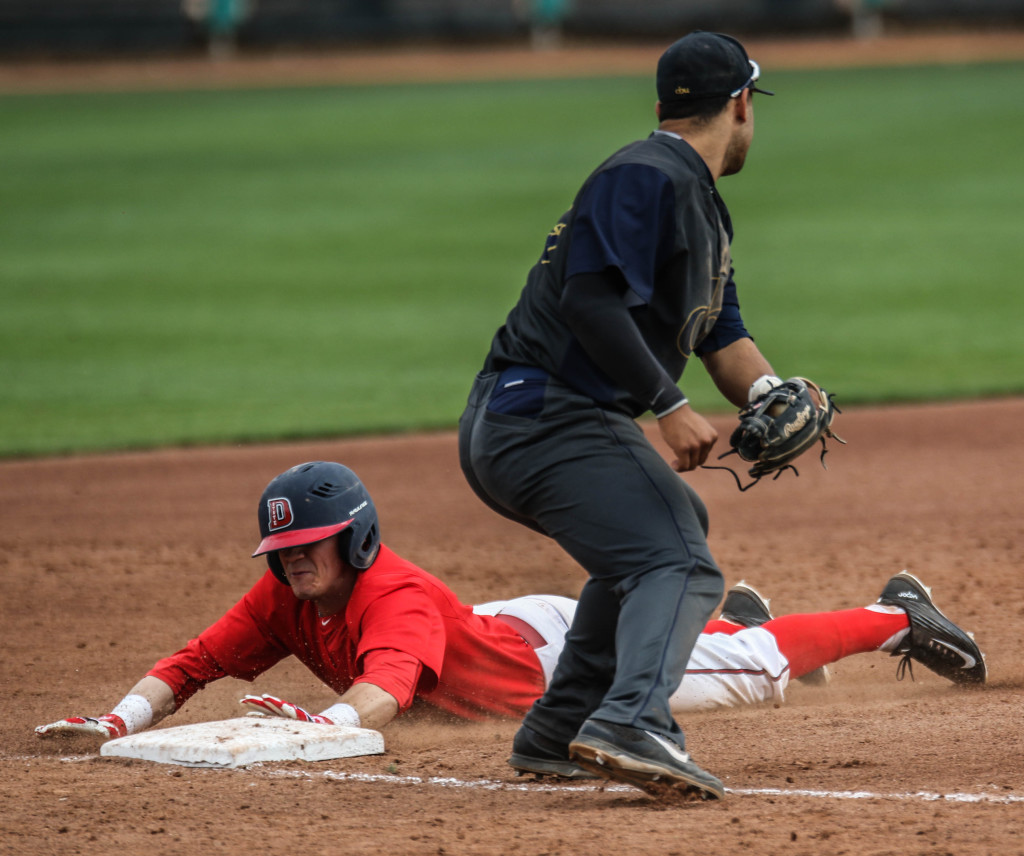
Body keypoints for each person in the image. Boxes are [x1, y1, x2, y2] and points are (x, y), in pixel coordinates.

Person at [37, 461, 986, 790]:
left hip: (556, 657)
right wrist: (115, 720)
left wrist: (317, 725)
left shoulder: (393, 599)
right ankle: (733, 614)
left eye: (314, 546)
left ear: (356, 540)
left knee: (751, 670)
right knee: (722, 645)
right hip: (492, 631)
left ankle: (892, 616)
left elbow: (385, 693)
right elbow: (197, 662)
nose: (295, 562)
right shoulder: (284, 595)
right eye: (284, 552)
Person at [457, 30, 801, 799]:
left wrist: (774, 394)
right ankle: (632, 721)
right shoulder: (645, 174)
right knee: (676, 560)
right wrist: (670, 405)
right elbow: (588, 296)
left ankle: (559, 729)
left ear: (663, 105)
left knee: (664, 532)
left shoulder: (698, 204)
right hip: (541, 414)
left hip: (548, 418)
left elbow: (723, 336)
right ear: (742, 105)